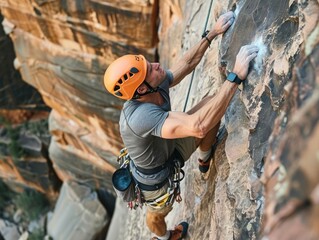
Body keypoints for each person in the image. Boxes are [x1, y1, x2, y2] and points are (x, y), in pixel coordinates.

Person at [104, 10, 259, 240]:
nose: (157, 65)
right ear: (142, 89)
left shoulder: (151, 86)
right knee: (156, 216)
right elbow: (198, 126)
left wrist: (212, 34)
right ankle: (164, 237)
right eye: (150, 69)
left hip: (170, 145)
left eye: (150, 64)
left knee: (210, 106)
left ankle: (205, 158)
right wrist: (235, 76)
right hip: (156, 178)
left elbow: (186, 64)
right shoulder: (140, 116)